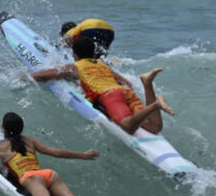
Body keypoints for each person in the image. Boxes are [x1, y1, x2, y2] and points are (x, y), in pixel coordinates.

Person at [34, 36, 173, 135]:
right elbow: (127, 83)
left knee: (128, 127)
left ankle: (155, 105)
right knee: (154, 127)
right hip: (125, 91)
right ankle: (147, 84)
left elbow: (43, 75)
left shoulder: (74, 66)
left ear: (75, 54)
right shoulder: (101, 64)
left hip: (110, 96)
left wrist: (25, 77)